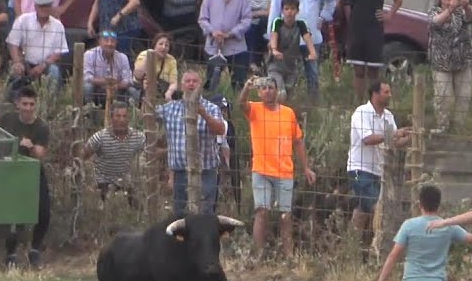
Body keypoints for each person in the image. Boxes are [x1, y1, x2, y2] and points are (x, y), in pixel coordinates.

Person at [238, 75, 317, 258]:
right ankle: (258, 255)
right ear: (259, 92)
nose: (267, 91)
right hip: (262, 170)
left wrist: (306, 167)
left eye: (271, 87)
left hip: (284, 171)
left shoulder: (288, 113)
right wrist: (246, 88)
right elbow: (241, 104)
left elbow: (298, 141)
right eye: (264, 88)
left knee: (285, 215)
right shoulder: (255, 110)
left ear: (277, 90)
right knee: (262, 211)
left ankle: (288, 256)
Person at [349, 82, 412, 252]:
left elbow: (393, 142)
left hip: (377, 171)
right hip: (357, 170)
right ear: (375, 94)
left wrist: (408, 138)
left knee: (363, 207)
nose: (390, 95)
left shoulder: (388, 116)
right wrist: (393, 134)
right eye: (386, 92)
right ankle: (379, 246)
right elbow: (367, 139)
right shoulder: (361, 112)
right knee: (379, 206)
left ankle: (351, 245)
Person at [267, 0, 336, 97]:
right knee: (286, 74)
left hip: (312, 38)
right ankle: (288, 105)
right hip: (287, 39)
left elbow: (332, 0)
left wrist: (323, 17)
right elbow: (274, 11)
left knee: (313, 75)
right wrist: (270, 38)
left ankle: (312, 106)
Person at [337, 0, 401, 103]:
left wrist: (389, 15)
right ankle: (359, 103)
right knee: (358, 69)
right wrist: (346, 18)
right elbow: (340, 1)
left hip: (374, 30)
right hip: (356, 30)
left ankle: (373, 102)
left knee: (373, 70)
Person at [157, 70, 227, 216]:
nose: (191, 84)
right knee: (180, 214)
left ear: (200, 85)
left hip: (206, 171)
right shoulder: (170, 108)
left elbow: (220, 130)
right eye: (187, 81)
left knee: (205, 213)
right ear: (182, 86)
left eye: (195, 81)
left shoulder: (211, 108)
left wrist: (203, 114)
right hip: (180, 172)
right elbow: (148, 114)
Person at [0, 85, 52, 269]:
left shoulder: (41, 127)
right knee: (14, 214)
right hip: (12, 172)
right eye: (25, 104)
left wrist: (30, 146)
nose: (28, 108)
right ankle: (11, 254)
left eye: (32, 104)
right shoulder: (7, 119)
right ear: (17, 104)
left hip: (33, 172)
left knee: (44, 212)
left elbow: (41, 153)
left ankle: (35, 250)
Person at [427, 0, 472, 133]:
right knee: (443, 97)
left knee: (464, 97)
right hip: (441, 62)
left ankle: (460, 127)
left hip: (462, 60)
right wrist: (449, 10)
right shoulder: (434, 10)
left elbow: (471, 18)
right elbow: (435, 23)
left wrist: (465, 5)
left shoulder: (461, 11)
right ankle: (443, 126)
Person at [198, 0, 253, 92]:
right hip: (213, 46)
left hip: (236, 47)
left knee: (239, 84)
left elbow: (247, 20)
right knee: (211, 83)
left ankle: (238, 109)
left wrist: (230, 34)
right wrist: (213, 32)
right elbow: (202, 19)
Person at [82, 101, 147, 203]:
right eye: (118, 116)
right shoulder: (100, 137)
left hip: (126, 183)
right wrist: (87, 181)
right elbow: (82, 156)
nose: (121, 120)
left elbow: (151, 152)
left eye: (124, 116)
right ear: (112, 118)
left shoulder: (137, 137)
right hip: (103, 184)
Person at [7, 0, 68, 92]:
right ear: (35, 7)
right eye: (41, 6)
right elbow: (13, 43)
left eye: (47, 6)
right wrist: (17, 62)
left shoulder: (58, 25)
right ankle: (15, 102)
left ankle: (50, 104)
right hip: (24, 62)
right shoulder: (22, 20)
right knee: (15, 72)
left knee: (54, 72)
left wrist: (43, 66)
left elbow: (58, 52)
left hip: (47, 64)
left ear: (51, 7)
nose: (44, 9)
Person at [267, 0, 317, 94]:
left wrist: (312, 52)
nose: (289, 11)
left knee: (289, 93)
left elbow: (308, 39)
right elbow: (273, 36)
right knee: (280, 93)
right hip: (276, 66)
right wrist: (274, 49)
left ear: (297, 11)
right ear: (282, 11)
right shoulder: (278, 22)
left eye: (293, 8)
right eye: (286, 8)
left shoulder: (301, 24)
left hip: (291, 66)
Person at [83, 31, 136, 105]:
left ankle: (128, 114)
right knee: (87, 87)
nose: (109, 44)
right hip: (96, 90)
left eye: (113, 41)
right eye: (106, 40)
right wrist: (106, 82)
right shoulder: (89, 54)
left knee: (132, 91)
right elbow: (87, 77)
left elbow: (128, 80)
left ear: (116, 42)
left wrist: (117, 86)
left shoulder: (122, 57)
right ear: (99, 41)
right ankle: (89, 113)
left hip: (116, 91)